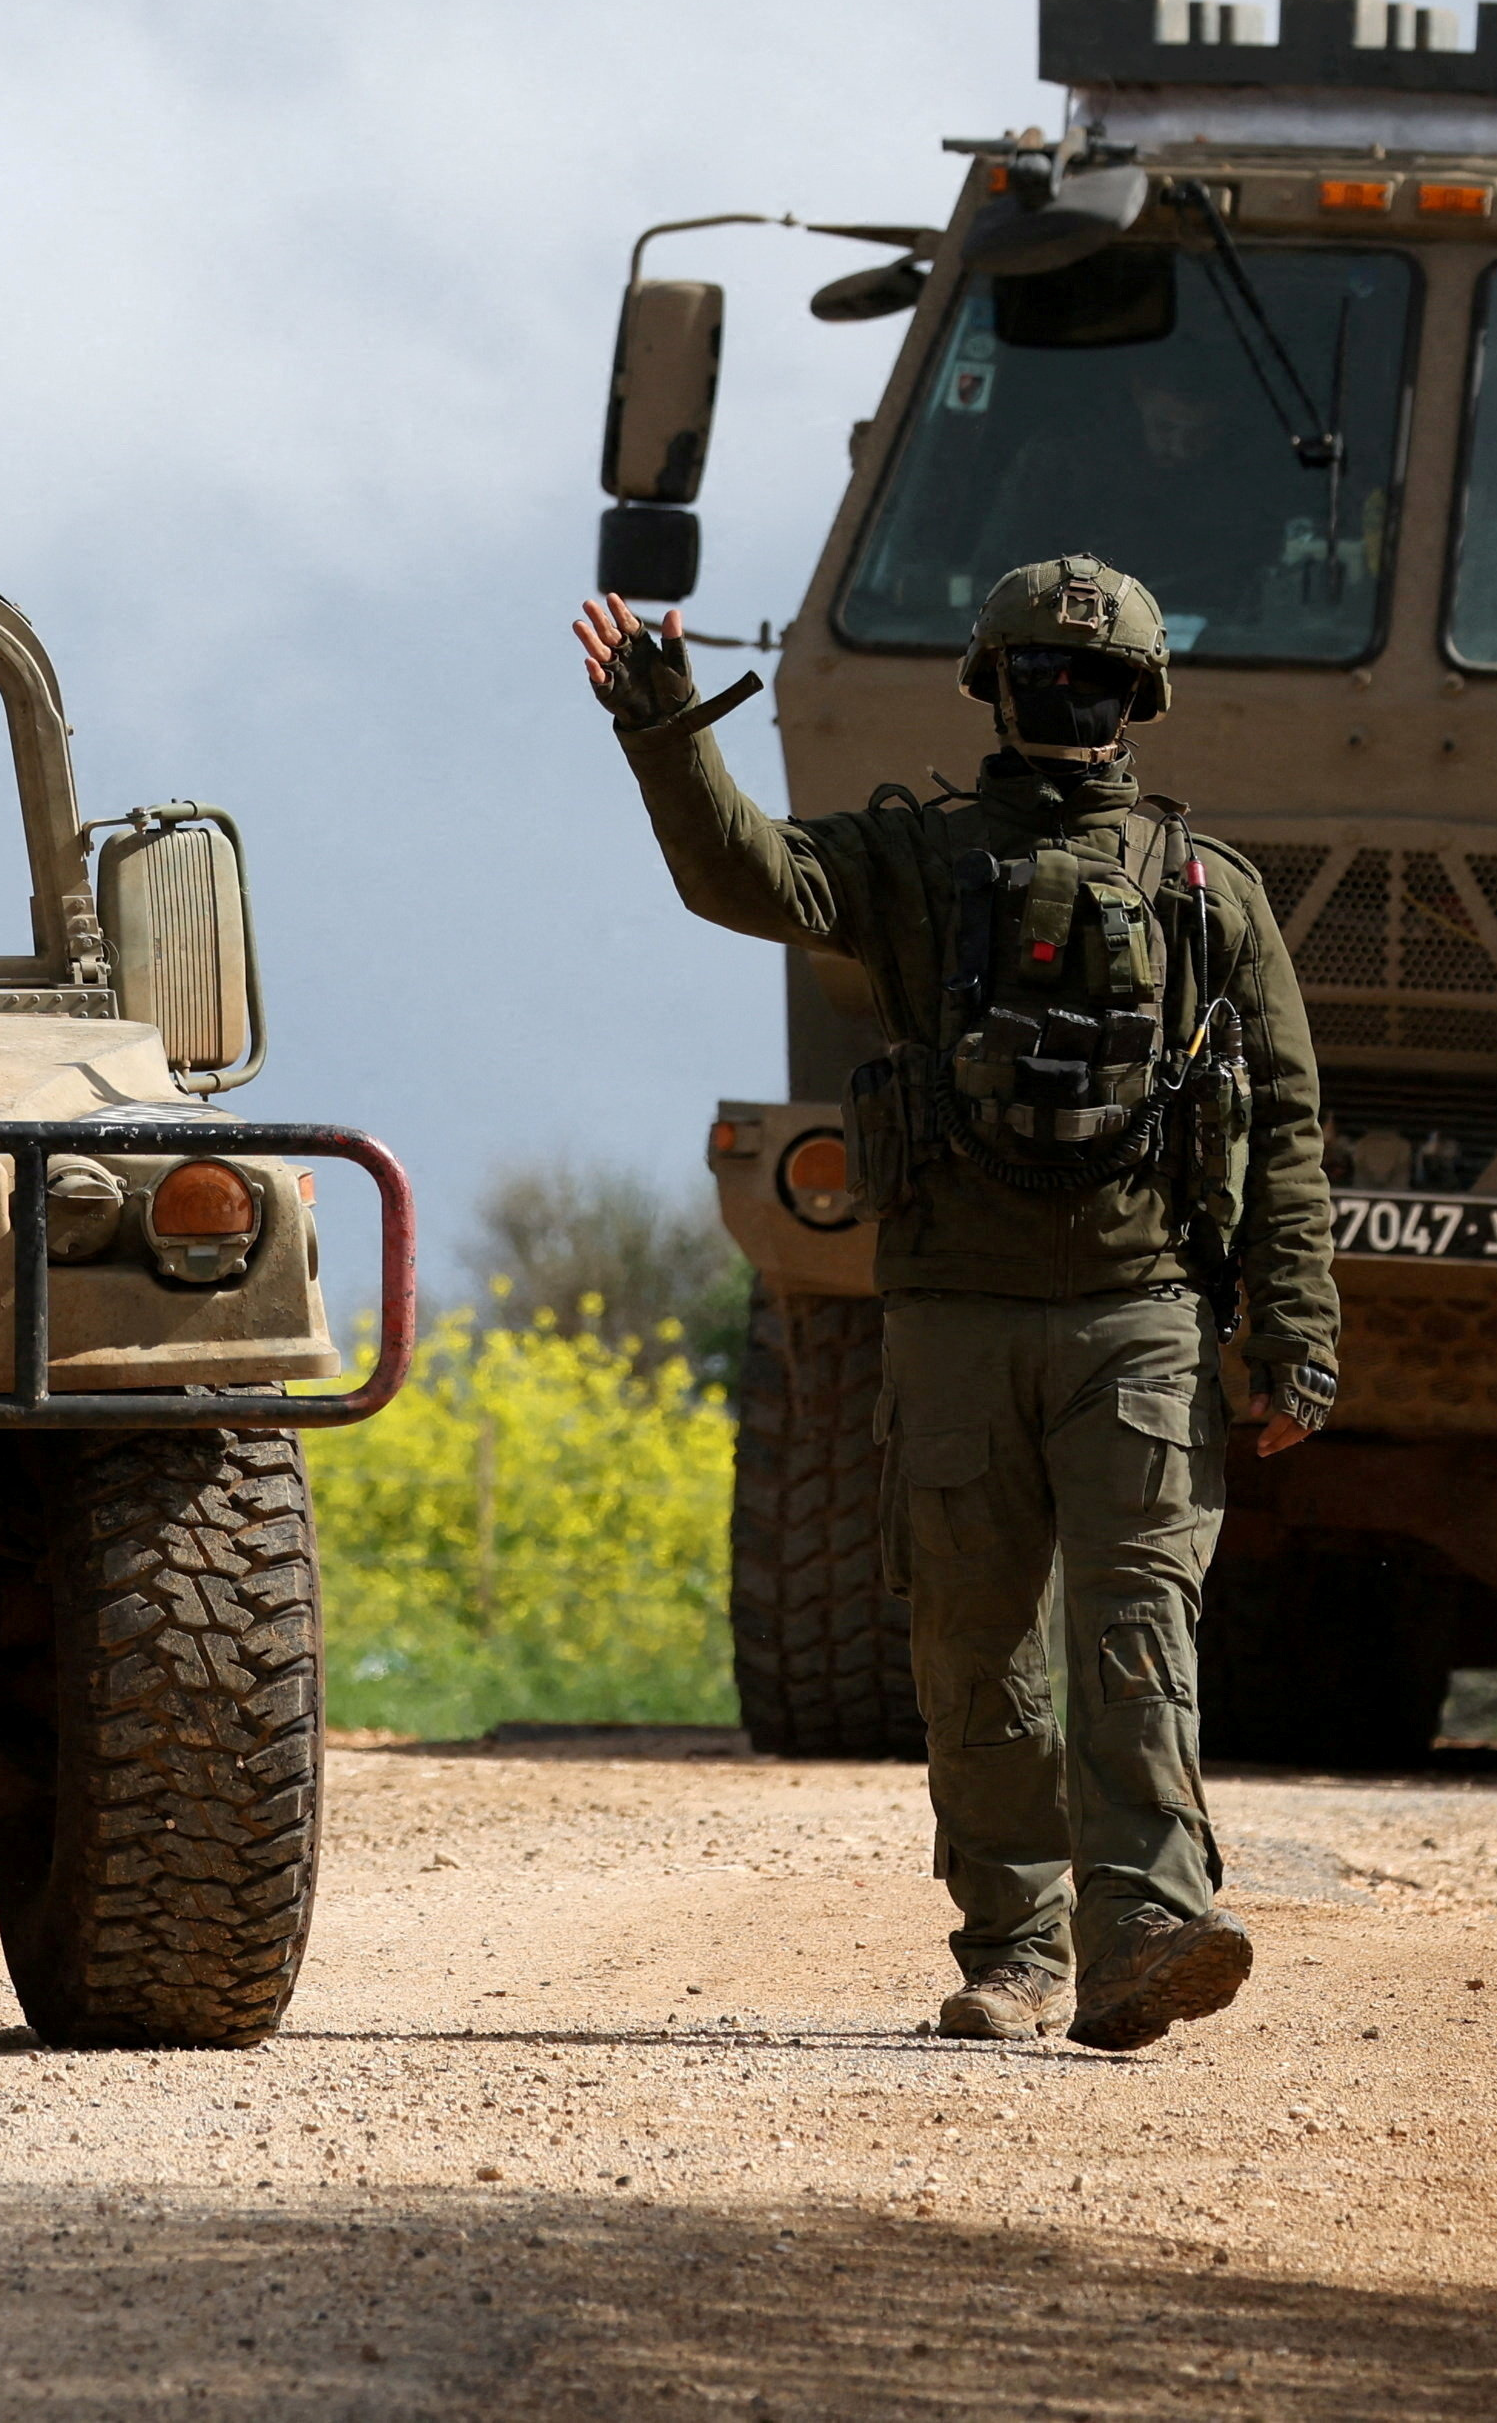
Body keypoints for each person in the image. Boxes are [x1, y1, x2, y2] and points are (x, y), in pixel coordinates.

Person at [579, 553, 1337, 2055]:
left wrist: (1293, 1334)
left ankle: (1147, 1932)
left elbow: (1291, 1127)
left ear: (1139, 702)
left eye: (1097, 679)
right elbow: (744, 876)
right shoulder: (910, 863)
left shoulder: (1211, 893)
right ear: (996, 685)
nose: (1069, 698)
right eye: (1049, 675)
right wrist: (668, 738)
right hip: (954, 1320)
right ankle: (1015, 1954)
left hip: (1142, 1317)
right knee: (976, 1652)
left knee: (1138, 1639)